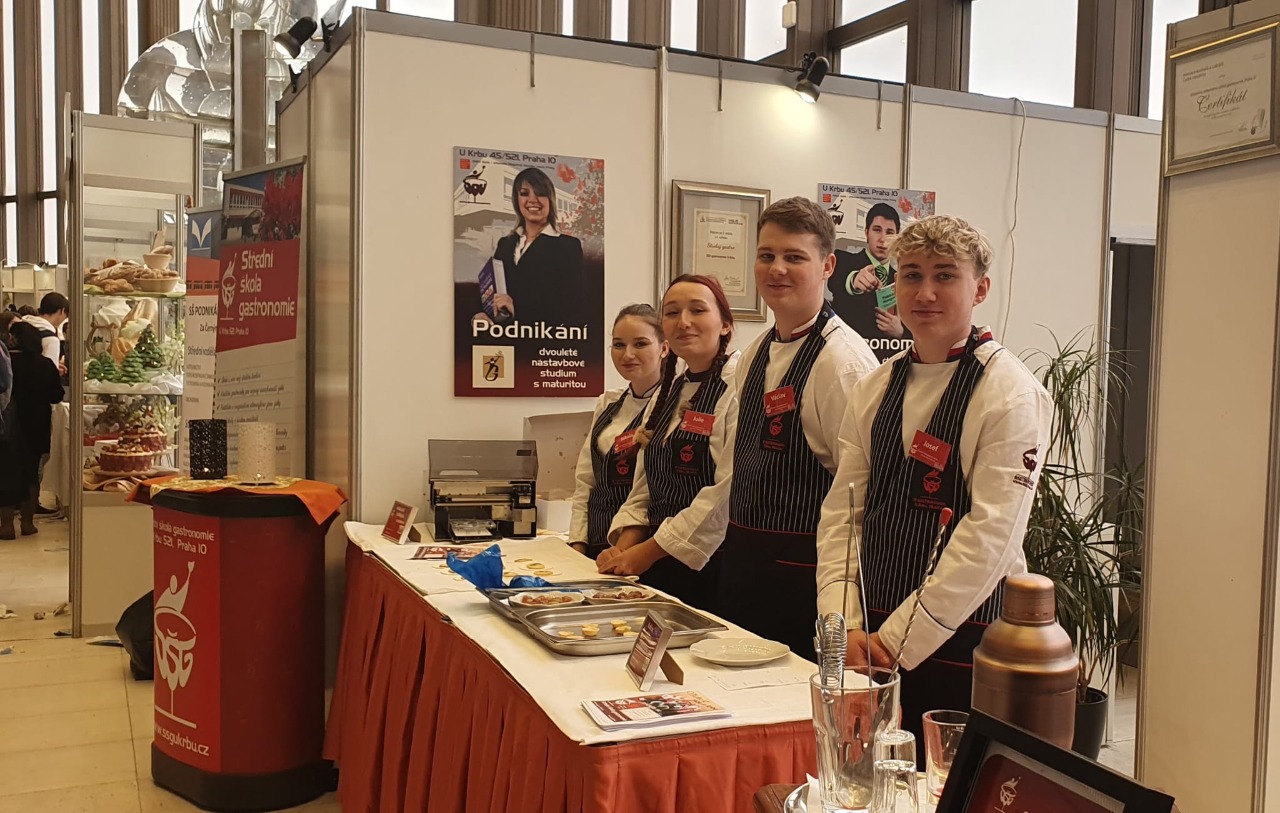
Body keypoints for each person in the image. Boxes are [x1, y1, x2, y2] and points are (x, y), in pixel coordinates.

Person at [815, 214, 1052, 745]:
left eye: (945, 275)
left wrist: (895, 641)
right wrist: (843, 623)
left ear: (980, 289)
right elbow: (844, 512)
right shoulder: (876, 386)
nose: (924, 293)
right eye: (912, 275)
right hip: (866, 630)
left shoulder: (1010, 393)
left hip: (961, 637)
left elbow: (990, 538)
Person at [597, 275, 739, 613]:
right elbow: (645, 484)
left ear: (725, 325)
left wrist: (647, 552)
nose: (683, 322)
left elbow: (725, 495)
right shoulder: (669, 391)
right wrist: (625, 546)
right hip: (658, 565)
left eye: (697, 310)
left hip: (712, 567)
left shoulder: (739, 386)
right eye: (672, 313)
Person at [568, 304, 667, 559]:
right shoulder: (608, 402)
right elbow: (586, 481)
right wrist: (578, 543)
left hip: (639, 551)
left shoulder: (673, 407)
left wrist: (623, 550)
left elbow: (652, 493)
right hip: (595, 544)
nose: (628, 354)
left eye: (640, 344)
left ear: (664, 348)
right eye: (619, 344)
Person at [489, 167, 585, 327]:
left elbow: (572, 303)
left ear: (550, 200)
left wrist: (517, 308)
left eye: (540, 193)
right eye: (524, 193)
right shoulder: (505, 244)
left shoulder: (568, 247)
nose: (532, 200)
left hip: (544, 336)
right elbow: (491, 291)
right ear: (516, 200)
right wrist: (480, 314)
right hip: (503, 334)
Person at [1, 322, 64, 538]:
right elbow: (56, 395)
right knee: (31, 473)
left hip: (9, 423)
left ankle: (6, 525)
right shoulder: (45, 364)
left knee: (6, 472)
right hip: (37, 423)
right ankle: (27, 523)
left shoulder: (8, 362)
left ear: (14, 339)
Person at [828, 202, 911, 360]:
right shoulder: (843, 261)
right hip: (846, 358)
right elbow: (836, 282)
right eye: (877, 230)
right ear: (866, 232)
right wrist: (854, 281)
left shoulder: (903, 279)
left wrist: (901, 332)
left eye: (889, 233)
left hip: (886, 364)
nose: (883, 239)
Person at [23, 292, 69, 371]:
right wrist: (55, 369)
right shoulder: (50, 339)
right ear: (62, 311)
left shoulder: (23, 325)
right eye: (66, 315)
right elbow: (49, 373)